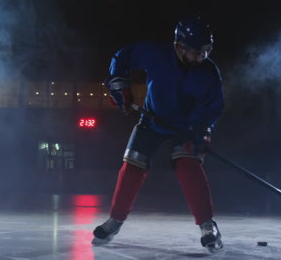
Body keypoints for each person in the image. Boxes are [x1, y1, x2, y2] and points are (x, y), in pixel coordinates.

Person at [92, 16, 224, 253]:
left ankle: (208, 224)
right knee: (132, 166)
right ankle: (115, 221)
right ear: (179, 46)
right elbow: (121, 57)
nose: (202, 57)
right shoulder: (156, 54)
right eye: (197, 51)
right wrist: (119, 83)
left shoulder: (209, 72)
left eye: (206, 51)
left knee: (189, 166)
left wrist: (201, 131)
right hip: (151, 120)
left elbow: (211, 107)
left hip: (185, 128)